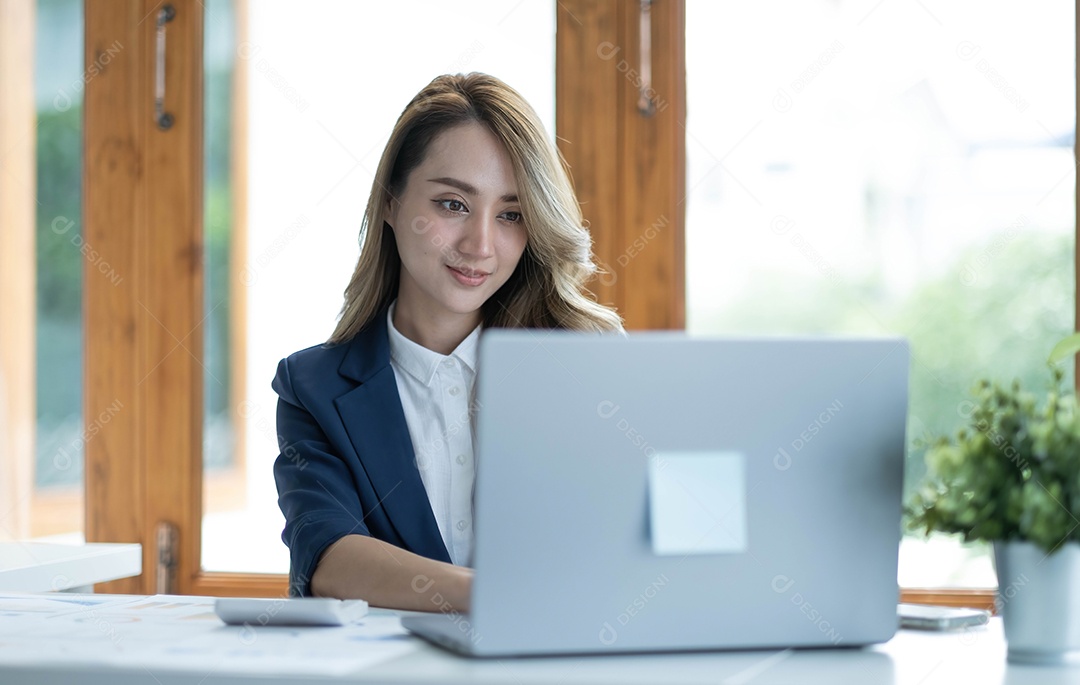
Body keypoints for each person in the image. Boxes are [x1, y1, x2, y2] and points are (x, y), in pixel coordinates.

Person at [272, 72, 622, 611]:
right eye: (453, 204)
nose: (480, 244)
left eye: (511, 215)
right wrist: (499, 599)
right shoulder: (312, 388)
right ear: (390, 202)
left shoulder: (580, 368)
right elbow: (328, 556)